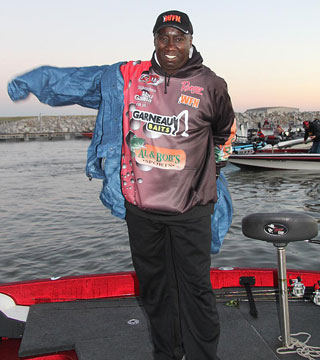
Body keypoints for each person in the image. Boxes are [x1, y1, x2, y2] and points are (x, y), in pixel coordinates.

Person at [8, 10, 236, 360]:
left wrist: (210, 172)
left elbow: (224, 133)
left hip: (190, 210)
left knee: (196, 291)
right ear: (154, 40)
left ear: (191, 41)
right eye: (164, 36)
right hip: (141, 211)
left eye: (179, 37)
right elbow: (79, 81)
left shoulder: (211, 84)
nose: (171, 44)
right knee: (156, 293)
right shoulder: (128, 77)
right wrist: (36, 81)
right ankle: (168, 355)